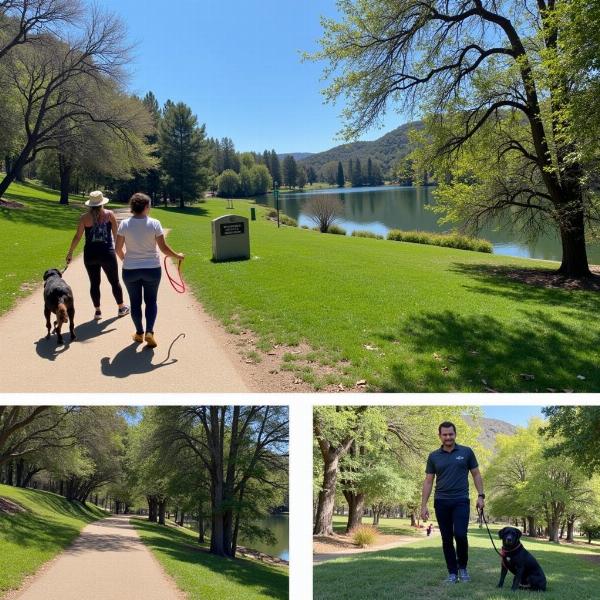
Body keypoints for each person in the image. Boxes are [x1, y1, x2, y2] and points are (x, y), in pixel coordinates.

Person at [115, 192, 184, 348]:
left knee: (135, 303)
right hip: (152, 269)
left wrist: (126, 261)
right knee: (151, 301)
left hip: (130, 270)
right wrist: (177, 256)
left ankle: (139, 333)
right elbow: (164, 248)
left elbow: (118, 249)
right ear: (146, 207)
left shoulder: (124, 224)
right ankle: (150, 332)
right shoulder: (154, 223)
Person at [420, 421, 485, 585]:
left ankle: (462, 568)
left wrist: (481, 496)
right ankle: (452, 573)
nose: (448, 437)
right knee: (447, 539)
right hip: (441, 501)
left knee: (461, 535)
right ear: (440, 436)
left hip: (461, 500)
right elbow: (428, 481)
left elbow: (476, 474)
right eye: (445, 434)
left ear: (455, 434)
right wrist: (423, 505)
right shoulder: (433, 456)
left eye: (451, 434)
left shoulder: (466, 452)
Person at [66, 190, 129, 320]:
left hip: (90, 255)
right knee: (114, 282)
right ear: (102, 203)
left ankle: (98, 311)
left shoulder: (84, 218)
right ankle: (121, 307)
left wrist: (70, 252)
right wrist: (121, 252)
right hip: (107, 253)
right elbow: (117, 235)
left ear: (90, 204)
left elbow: (77, 237)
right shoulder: (109, 214)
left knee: (94, 283)